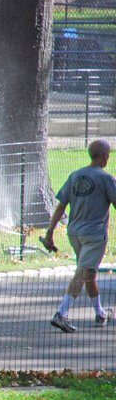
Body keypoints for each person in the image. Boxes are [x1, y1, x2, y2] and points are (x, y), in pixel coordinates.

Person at [44, 138, 116, 332]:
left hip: (74, 232)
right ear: (105, 157)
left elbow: (60, 206)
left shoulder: (75, 175)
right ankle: (62, 313)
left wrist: (50, 232)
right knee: (83, 272)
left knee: (88, 273)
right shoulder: (106, 178)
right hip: (94, 234)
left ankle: (100, 313)